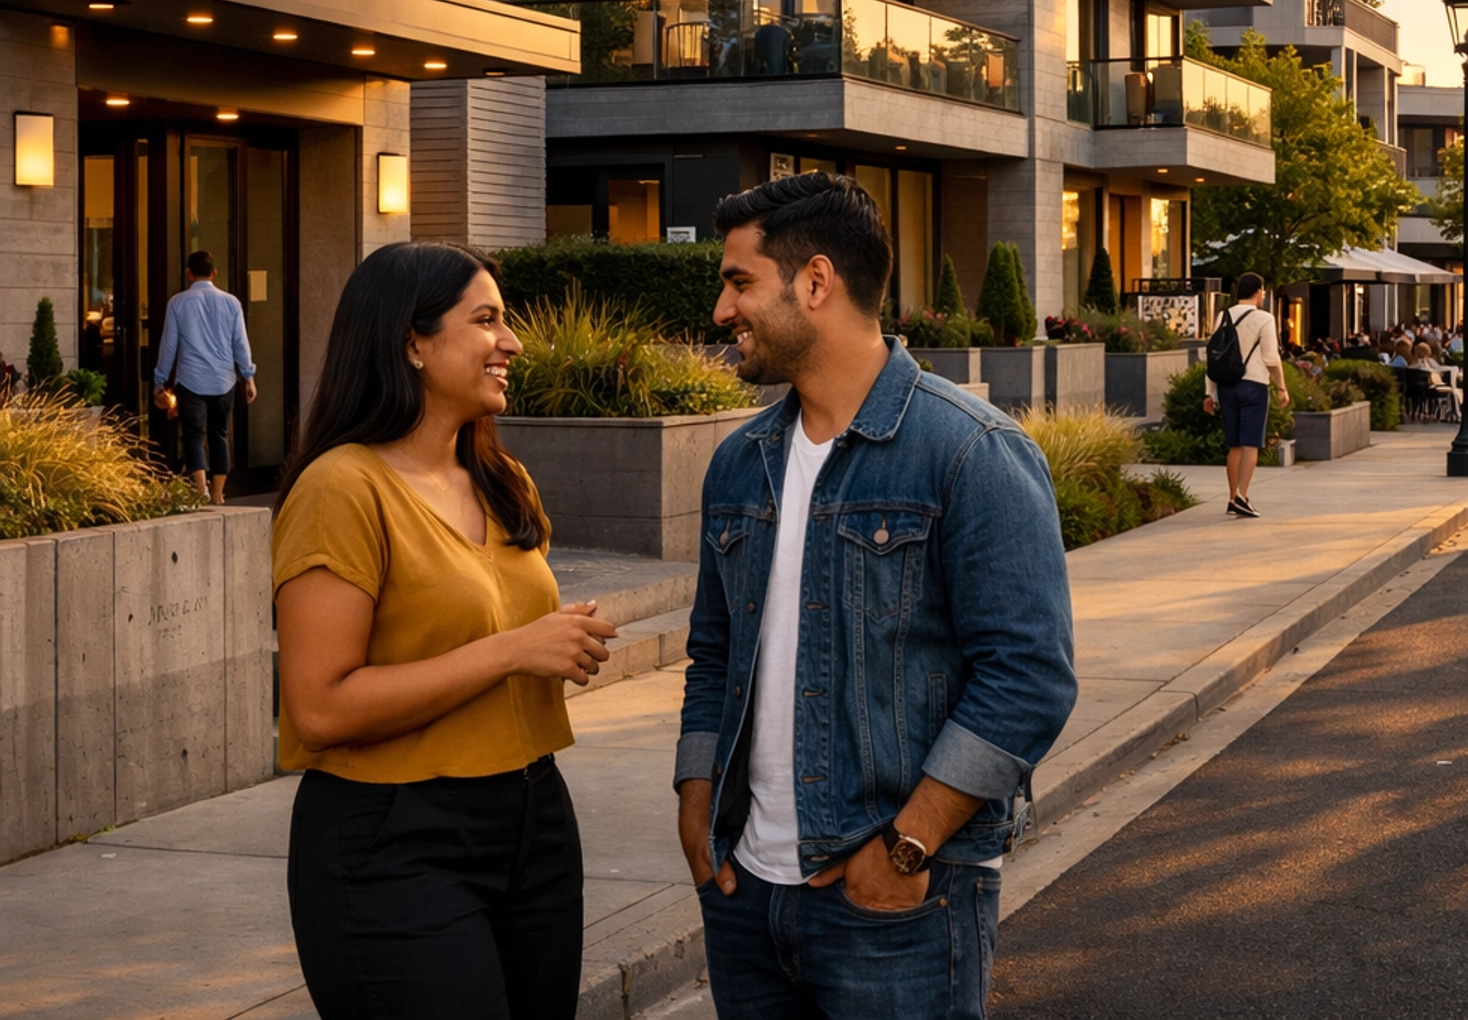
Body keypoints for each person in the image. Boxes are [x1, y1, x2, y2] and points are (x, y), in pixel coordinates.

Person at [676, 174, 1076, 1020]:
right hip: (745, 894)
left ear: (815, 282)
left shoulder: (967, 451)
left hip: (899, 908)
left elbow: (1028, 676)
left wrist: (905, 846)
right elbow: (713, 652)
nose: (722, 310)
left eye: (739, 281)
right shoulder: (740, 462)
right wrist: (695, 797)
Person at [271, 241, 617, 1020]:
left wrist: (557, 640)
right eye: (486, 320)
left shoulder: (503, 480)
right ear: (412, 343)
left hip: (535, 821)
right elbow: (319, 707)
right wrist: (513, 650)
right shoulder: (341, 488)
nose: (512, 342)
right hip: (395, 840)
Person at [153, 249, 257, 502]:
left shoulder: (177, 303)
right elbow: (240, 343)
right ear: (214, 273)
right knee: (220, 434)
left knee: (193, 435)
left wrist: (160, 380)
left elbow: (169, 345)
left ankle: (201, 488)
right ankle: (219, 495)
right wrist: (248, 376)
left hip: (191, 380)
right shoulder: (231, 303)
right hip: (224, 380)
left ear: (189, 274)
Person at [1204, 272, 1287, 518]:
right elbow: (1271, 358)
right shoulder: (1265, 318)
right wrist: (1282, 387)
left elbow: (1214, 356)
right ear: (1259, 291)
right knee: (1251, 442)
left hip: (1226, 386)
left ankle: (1232, 498)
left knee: (1235, 445)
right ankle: (1242, 495)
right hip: (1254, 385)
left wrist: (1208, 392)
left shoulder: (1224, 315)